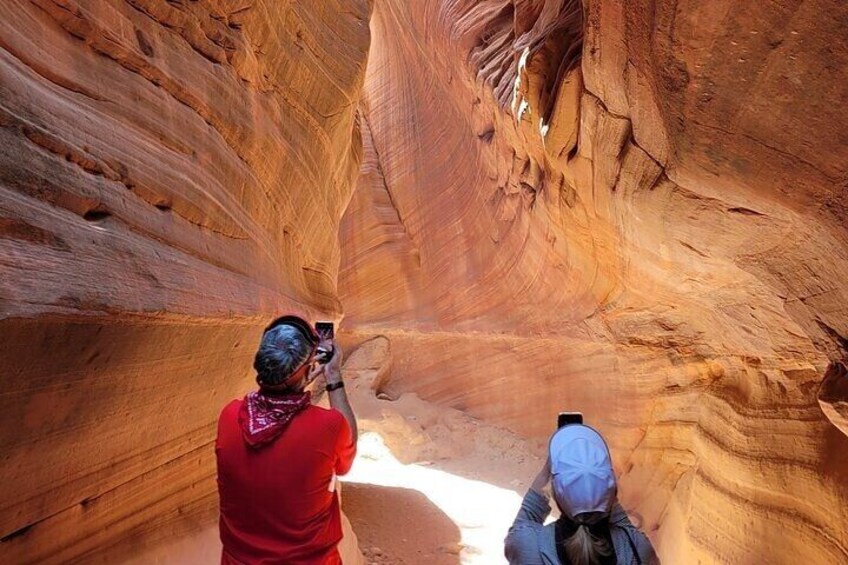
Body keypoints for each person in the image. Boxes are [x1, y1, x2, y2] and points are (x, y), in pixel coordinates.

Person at [216, 315, 358, 565]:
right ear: (306, 367)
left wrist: (297, 379)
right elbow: (346, 458)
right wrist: (332, 374)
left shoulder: (229, 416)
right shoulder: (328, 427)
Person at [505, 424, 658, 565]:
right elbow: (623, 525)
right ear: (613, 492)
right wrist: (601, 483)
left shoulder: (529, 546)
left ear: (556, 494)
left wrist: (548, 472)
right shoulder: (637, 549)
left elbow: (527, 516)